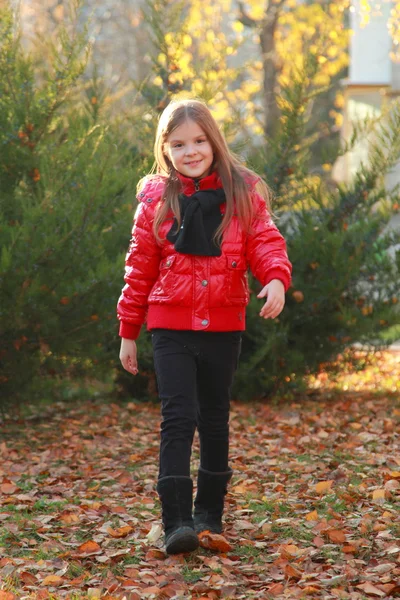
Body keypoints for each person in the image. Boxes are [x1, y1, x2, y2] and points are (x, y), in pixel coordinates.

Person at [117, 98, 292, 555]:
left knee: (214, 417)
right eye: (179, 144)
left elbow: (265, 242)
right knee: (177, 417)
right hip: (169, 325)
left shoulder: (242, 193)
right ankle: (176, 521)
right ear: (166, 148)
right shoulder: (156, 201)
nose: (190, 151)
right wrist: (128, 331)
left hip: (223, 325)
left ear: (213, 141)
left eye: (198, 141)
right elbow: (138, 269)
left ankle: (208, 513)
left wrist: (274, 279)